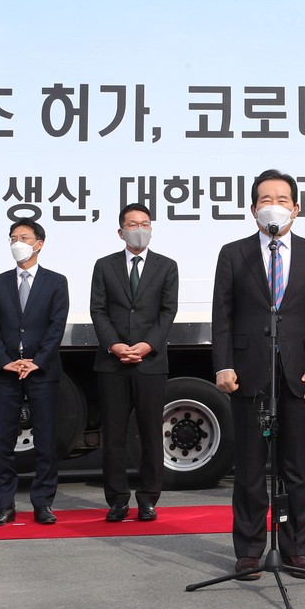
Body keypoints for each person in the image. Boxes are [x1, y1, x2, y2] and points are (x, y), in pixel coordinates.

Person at [211, 169, 305, 580]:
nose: (274, 205)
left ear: (296, 209)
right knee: (249, 469)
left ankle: (296, 549)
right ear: (252, 209)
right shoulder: (234, 253)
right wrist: (223, 364)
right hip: (248, 373)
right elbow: (223, 316)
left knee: (294, 469)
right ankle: (249, 551)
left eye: (282, 199)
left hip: (299, 373)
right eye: (266, 198)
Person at [90, 203, 178, 523]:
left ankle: (148, 498)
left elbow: (168, 311)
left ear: (151, 228)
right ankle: (116, 499)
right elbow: (98, 310)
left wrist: (147, 345)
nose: (139, 229)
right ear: (120, 231)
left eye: (145, 223)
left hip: (150, 362)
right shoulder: (104, 266)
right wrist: (114, 345)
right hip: (112, 363)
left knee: (150, 433)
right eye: (132, 224)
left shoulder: (167, 267)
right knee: (113, 434)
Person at [0, 220, 70, 526]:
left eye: (24, 237)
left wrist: (38, 360)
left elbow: (56, 326)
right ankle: (4, 505)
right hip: (5, 371)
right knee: (3, 442)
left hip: (42, 371)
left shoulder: (56, 282)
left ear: (39, 243)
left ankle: (43, 503)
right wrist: (6, 360)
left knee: (45, 440)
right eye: (13, 238)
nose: (17, 242)